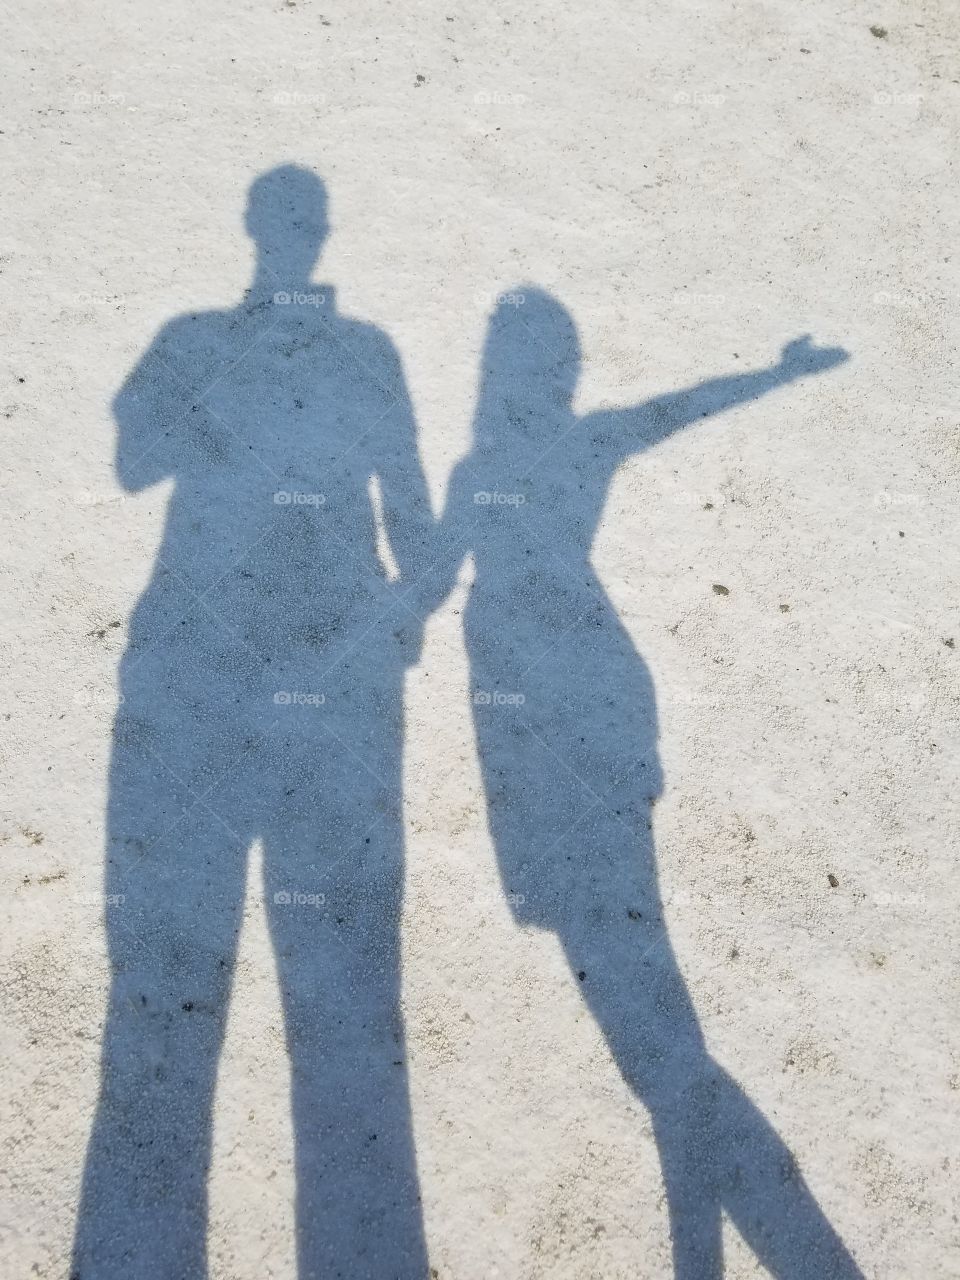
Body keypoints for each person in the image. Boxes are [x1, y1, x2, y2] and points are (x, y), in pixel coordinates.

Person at [418, 289, 859, 1278]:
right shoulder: (572, 445)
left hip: (545, 711)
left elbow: (428, 582)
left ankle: (707, 1207)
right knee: (628, 955)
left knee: (631, 992)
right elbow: (681, 407)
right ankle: (699, 1206)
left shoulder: (482, 468)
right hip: (580, 694)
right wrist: (779, 372)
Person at [73, 166, 433, 1279]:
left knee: (346, 992)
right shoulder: (198, 341)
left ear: (308, 235)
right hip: (206, 671)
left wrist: (386, 631)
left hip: (320, 684)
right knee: (170, 983)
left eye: (301, 226)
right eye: (287, 224)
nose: (292, 241)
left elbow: (414, 523)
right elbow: (136, 463)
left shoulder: (367, 353)